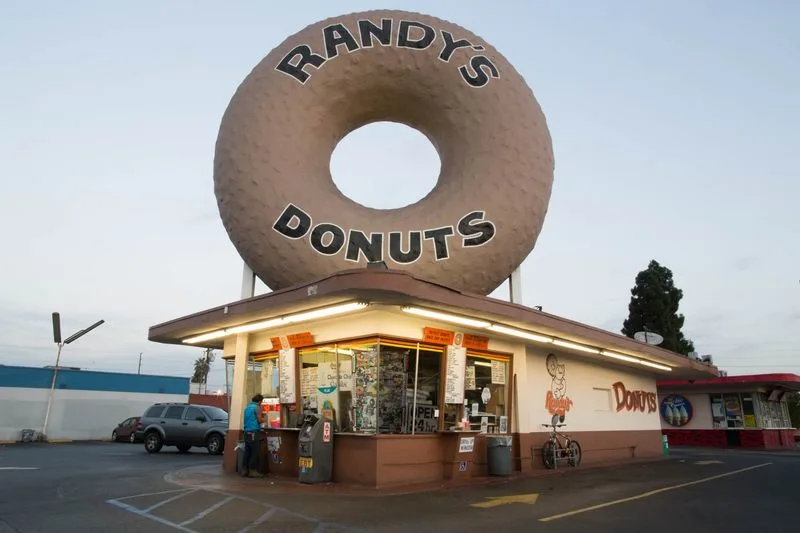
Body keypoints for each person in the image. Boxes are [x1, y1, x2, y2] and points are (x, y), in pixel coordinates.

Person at [241, 394, 266, 478]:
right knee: (254, 452)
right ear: (259, 401)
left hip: (246, 431)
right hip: (253, 432)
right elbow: (259, 420)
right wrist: (265, 419)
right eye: (261, 402)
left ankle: (244, 470)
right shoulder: (257, 407)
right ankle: (253, 471)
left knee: (247, 451)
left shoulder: (247, 408)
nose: (261, 403)